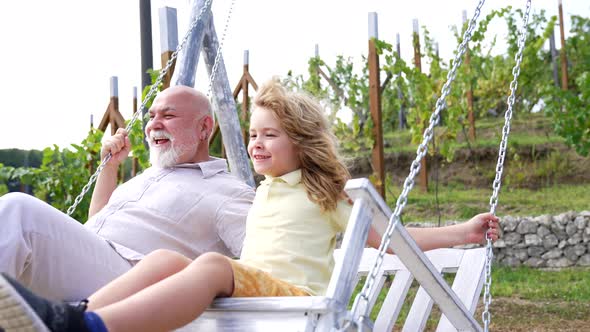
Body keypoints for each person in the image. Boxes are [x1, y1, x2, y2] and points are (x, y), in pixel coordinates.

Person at [0, 79, 499, 332]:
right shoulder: (265, 192)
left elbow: (389, 243)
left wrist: (464, 231)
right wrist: (110, 165)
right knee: (168, 261)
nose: (256, 145)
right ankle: (73, 319)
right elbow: (98, 229)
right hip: (254, 292)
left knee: (211, 263)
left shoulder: (322, 192)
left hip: (297, 300)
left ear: (302, 142)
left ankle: (91, 324)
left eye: (270, 136)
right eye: (254, 135)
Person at [0, 85, 254, 302]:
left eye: (168, 116)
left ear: (204, 128)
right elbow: (98, 222)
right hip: (94, 266)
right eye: (151, 116)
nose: (153, 125)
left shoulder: (228, 192)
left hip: (136, 283)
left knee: (18, 211)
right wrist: (109, 168)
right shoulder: (149, 176)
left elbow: (262, 259)